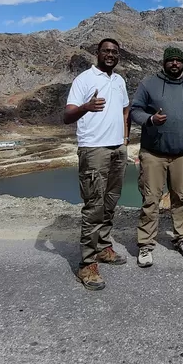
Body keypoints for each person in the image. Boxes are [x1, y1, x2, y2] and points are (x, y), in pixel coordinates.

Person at [62, 38, 131, 291]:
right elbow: (67, 116)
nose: (111, 55)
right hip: (93, 150)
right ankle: (87, 264)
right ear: (97, 53)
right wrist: (86, 107)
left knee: (110, 201)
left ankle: (103, 247)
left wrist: (124, 139)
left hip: (117, 149)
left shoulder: (119, 81)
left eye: (115, 51)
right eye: (106, 51)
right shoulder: (83, 80)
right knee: (94, 207)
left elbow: (125, 111)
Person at [130, 46, 183, 268]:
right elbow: (134, 110)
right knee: (151, 199)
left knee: (180, 198)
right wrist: (150, 119)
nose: (174, 64)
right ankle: (145, 244)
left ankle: (182, 238)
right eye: (170, 60)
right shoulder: (148, 84)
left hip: (182, 154)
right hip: (153, 154)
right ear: (164, 62)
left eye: (178, 61)